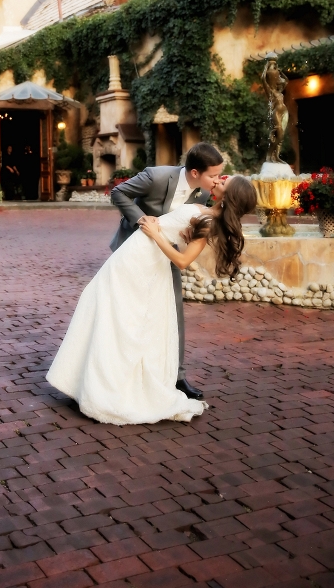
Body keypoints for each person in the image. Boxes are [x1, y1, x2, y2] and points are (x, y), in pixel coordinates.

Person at [47, 175, 257, 425]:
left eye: (224, 182)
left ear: (229, 197)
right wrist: (160, 223)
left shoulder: (210, 221)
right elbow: (174, 227)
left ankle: (106, 387)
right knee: (102, 306)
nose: (219, 180)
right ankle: (83, 381)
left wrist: (156, 233)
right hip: (136, 253)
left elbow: (182, 261)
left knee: (115, 314)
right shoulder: (204, 210)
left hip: (143, 261)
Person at [109, 142, 224, 400]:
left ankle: (178, 376)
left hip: (165, 256)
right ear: (195, 173)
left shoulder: (202, 195)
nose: (217, 181)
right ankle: (122, 371)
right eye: (213, 175)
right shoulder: (156, 176)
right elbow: (118, 193)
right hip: (133, 253)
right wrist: (140, 218)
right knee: (127, 313)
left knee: (173, 310)